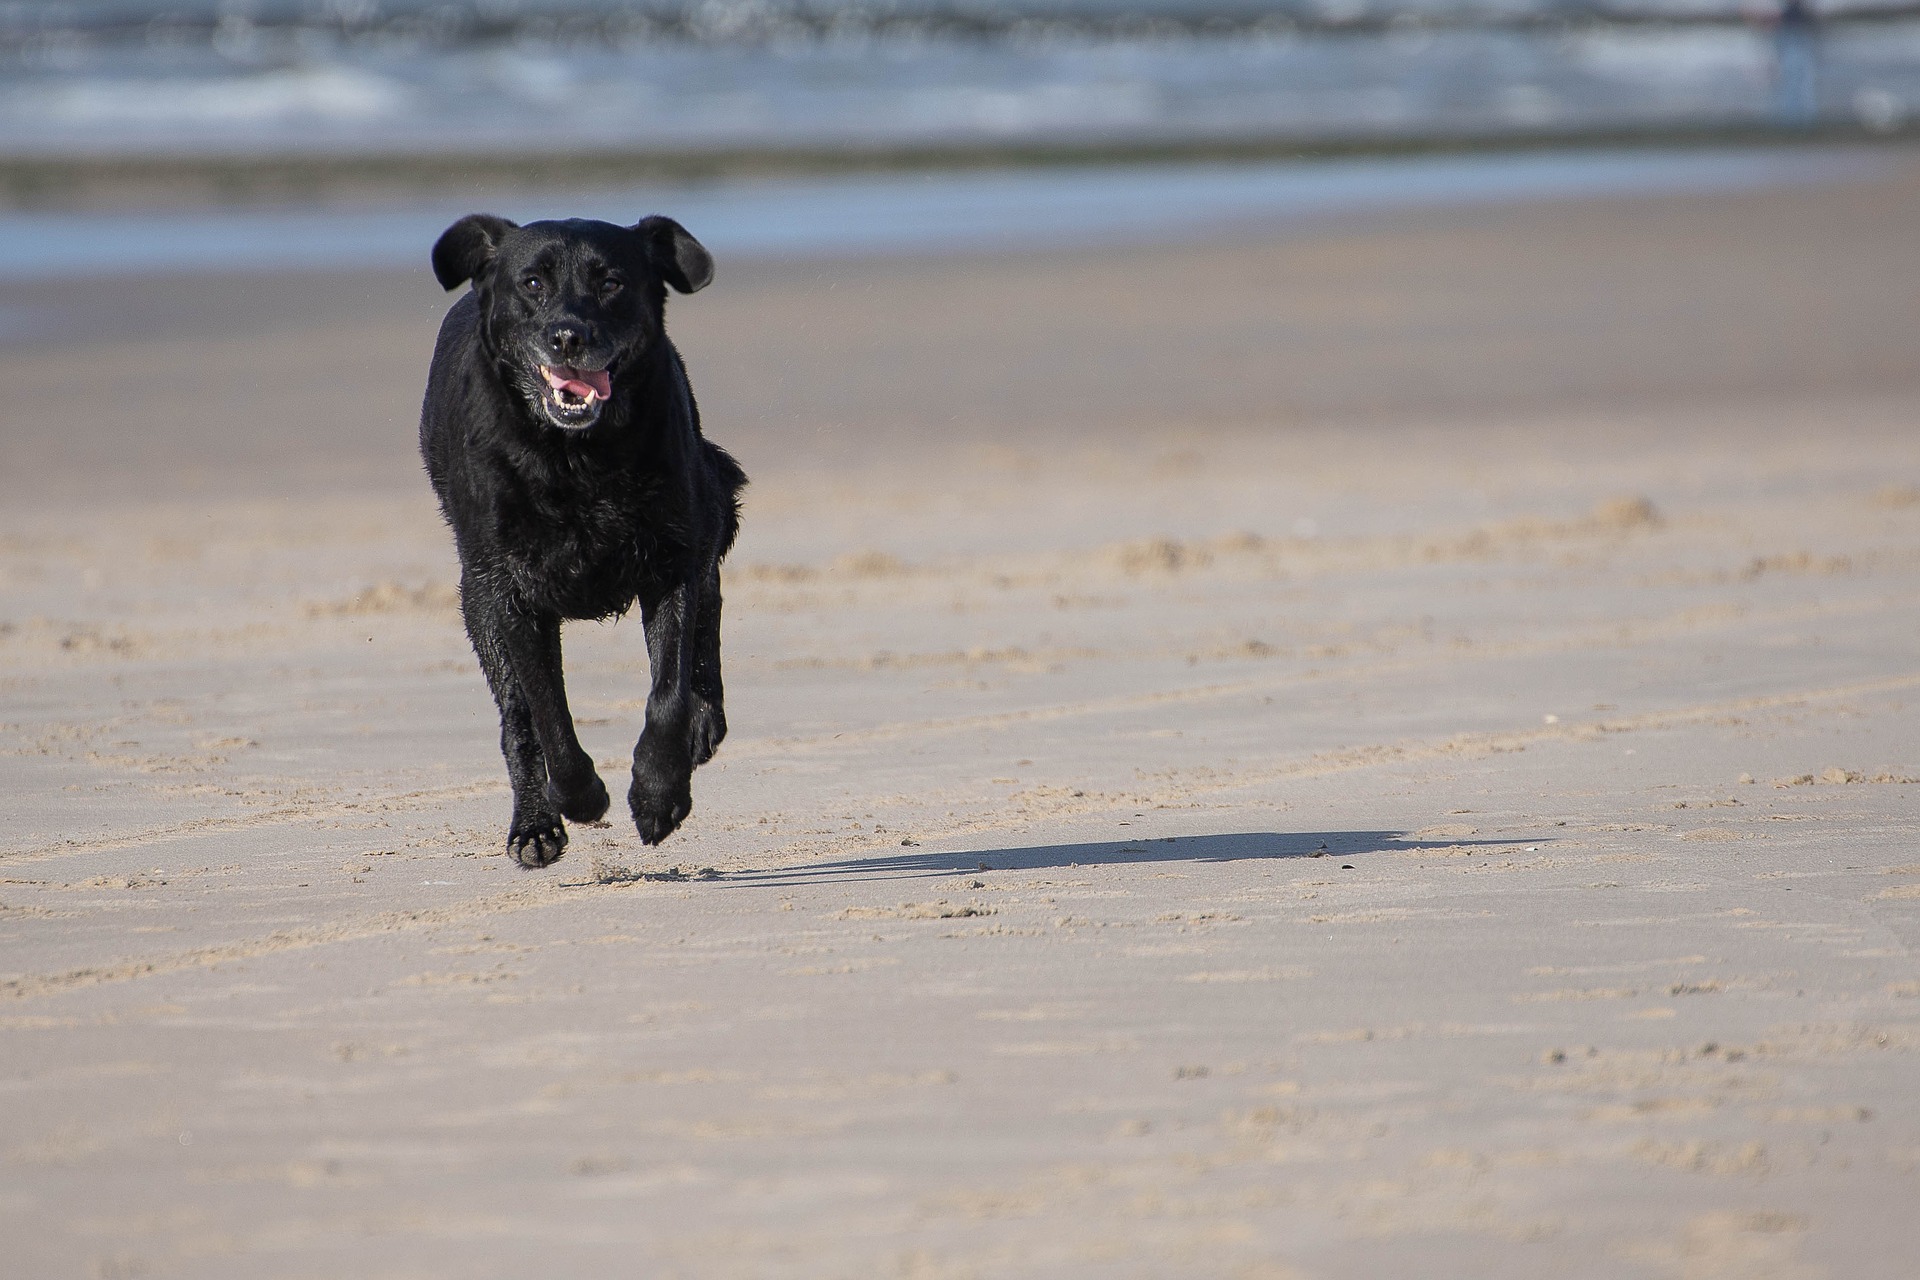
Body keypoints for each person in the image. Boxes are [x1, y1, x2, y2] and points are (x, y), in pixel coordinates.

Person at [1773, 0, 1819, 127]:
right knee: (1793, 79)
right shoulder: (1789, 11)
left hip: (1797, 36)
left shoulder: (1797, 10)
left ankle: (1799, 120)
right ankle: (1793, 120)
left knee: (1800, 80)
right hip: (1791, 37)